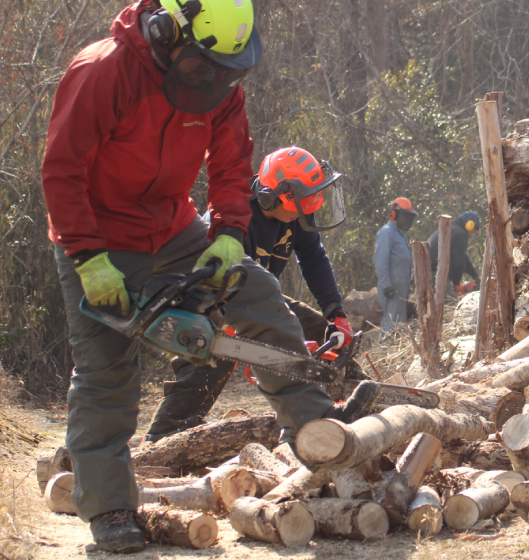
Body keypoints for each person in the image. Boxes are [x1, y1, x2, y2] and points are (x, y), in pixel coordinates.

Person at [40, 2, 370, 553]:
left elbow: (231, 164)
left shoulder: (218, 84)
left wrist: (227, 234)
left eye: (225, 69)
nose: (213, 79)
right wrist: (88, 257)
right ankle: (110, 508)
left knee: (259, 295)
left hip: (173, 227)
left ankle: (319, 437)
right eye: (203, 65)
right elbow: (61, 169)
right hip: (96, 237)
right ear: (167, 34)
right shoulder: (102, 72)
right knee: (105, 372)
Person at [143, 146, 360, 446]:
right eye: (305, 200)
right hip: (204, 303)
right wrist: (268, 341)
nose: (310, 207)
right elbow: (214, 285)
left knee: (316, 327)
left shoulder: (295, 210)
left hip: (259, 300)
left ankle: (355, 397)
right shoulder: (229, 217)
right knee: (214, 357)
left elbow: (313, 257)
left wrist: (335, 311)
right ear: (272, 197)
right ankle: (163, 438)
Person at [374, 197, 416, 337]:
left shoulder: (400, 234)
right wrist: (387, 284)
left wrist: (409, 281)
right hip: (391, 288)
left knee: (398, 323)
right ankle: (382, 351)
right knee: (391, 323)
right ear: (394, 214)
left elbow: (403, 262)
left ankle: (389, 351)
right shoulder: (387, 232)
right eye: (404, 216)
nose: (406, 221)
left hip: (400, 288)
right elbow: (380, 260)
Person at [428, 211, 481, 298]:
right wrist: (456, 284)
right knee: (451, 303)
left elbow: (463, 257)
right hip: (435, 273)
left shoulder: (452, 229)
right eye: (473, 232)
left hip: (428, 270)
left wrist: (475, 275)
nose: (471, 235)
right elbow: (459, 262)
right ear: (469, 225)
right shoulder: (460, 234)